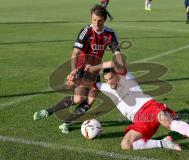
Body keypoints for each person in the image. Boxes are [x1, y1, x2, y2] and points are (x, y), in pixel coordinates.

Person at [84, 55, 189, 153]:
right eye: (107, 80)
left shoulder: (126, 77)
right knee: (126, 144)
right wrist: (73, 78)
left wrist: (94, 67)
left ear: (117, 75)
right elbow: (90, 84)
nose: (110, 82)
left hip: (149, 106)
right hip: (139, 120)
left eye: (112, 78)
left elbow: (114, 63)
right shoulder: (107, 86)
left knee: (166, 121)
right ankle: (164, 143)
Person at [33, 5, 122, 134]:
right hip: (81, 68)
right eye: (94, 20)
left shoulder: (110, 34)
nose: (96, 23)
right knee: (78, 99)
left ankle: (66, 123)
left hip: (95, 69)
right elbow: (75, 53)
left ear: (105, 20)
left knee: (91, 99)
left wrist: (118, 60)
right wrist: (73, 71)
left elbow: (117, 53)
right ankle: (47, 111)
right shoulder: (86, 32)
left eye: (100, 21)